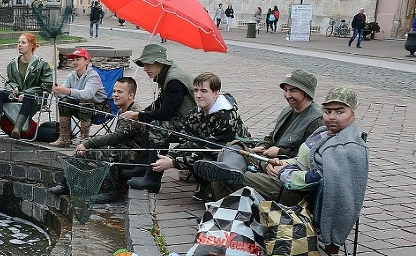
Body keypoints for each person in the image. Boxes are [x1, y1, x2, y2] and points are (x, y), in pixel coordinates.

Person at [200, 88, 367, 253]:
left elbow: (317, 178)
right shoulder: (324, 132)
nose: (331, 116)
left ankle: (223, 225)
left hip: (295, 194)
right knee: (234, 148)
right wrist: (283, 163)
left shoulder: (345, 147)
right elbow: (304, 159)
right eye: (328, 111)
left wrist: (283, 172)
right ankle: (231, 176)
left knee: (224, 177)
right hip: (285, 173)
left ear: (353, 113)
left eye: (340, 112)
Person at [194, 69, 323, 199]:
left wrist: (279, 152)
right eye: (286, 90)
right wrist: (263, 145)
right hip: (268, 160)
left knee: (232, 176)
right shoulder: (288, 110)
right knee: (232, 147)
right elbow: (272, 136)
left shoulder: (316, 121)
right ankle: (231, 170)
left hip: (284, 171)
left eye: (293, 90)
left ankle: (223, 191)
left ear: (306, 92)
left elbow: (309, 160)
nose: (287, 95)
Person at [147, 72, 249, 202]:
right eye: (196, 90)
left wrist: (173, 162)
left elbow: (210, 151)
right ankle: (204, 185)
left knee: (202, 160)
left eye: (204, 91)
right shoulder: (197, 111)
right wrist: (170, 156)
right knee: (190, 149)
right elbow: (187, 139)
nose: (198, 95)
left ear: (216, 93)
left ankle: (213, 188)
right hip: (209, 150)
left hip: (231, 156)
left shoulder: (226, 118)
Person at [51, 76, 144, 203]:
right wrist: (87, 144)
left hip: (136, 154)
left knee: (104, 152)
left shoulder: (134, 112)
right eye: (114, 91)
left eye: (119, 92)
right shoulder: (123, 109)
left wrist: (90, 142)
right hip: (123, 148)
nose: (115, 95)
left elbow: (118, 136)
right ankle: (67, 185)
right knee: (82, 150)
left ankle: (113, 192)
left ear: (130, 95)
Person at [122, 43, 196, 193]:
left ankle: (153, 179)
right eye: (144, 65)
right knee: (147, 120)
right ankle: (143, 168)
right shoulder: (166, 75)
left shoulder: (174, 80)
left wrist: (138, 114)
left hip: (194, 126)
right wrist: (142, 114)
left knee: (158, 127)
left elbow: (165, 113)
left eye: (149, 64)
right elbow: (159, 104)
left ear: (160, 63)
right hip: (186, 120)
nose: (145, 68)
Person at [0, 33, 53, 139]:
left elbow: (47, 85)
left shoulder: (42, 64)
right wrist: (13, 88)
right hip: (17, 95)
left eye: (23, 43)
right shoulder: (13, 64)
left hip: (34, 98)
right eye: (19, 42)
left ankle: (17, 129)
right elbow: (10, 81)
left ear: (32, 45)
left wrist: (26, 93)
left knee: (28, 96)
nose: (19, 45)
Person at [49, 48, 108, 147]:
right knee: (64, 101)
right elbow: (64, 92)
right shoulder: (72, 75)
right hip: (80, 106)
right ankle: (64, 138)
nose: (75, 62)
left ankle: (84, 140)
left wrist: (66, 91)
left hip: (100, 108)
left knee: (85, 104)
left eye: (78, 59)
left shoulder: (93, 76)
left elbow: (87, 95)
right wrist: (56, 91)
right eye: (73, 60)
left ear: (86, 61)